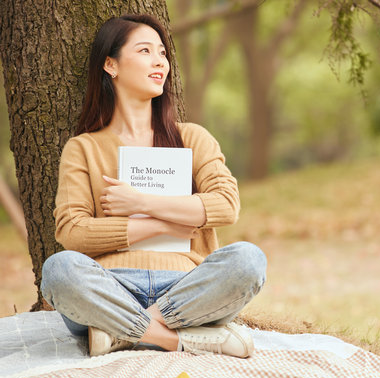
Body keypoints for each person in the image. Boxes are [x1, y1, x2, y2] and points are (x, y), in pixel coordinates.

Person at [40, 14, 266, 359]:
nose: (159, 60)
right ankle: (178, 339)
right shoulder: (82, 148)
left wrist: (140, 202)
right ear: (110, 65)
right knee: (58, 270)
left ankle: (125, 331)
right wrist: (167, 223)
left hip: (188, 288)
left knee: (249, 260)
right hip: (111, 287)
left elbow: (225, 206)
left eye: (162, 52)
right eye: (145, 50)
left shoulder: (192, 138)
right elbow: (72, 232)